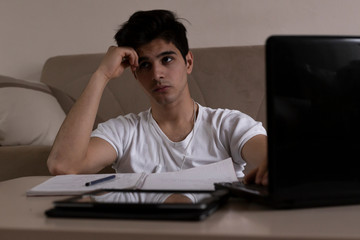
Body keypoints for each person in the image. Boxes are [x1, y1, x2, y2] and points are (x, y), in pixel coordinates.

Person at [47, 9, 268, 186]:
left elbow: (273, 159)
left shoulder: (228, 125)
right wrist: (101, 75)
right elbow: (64, 167)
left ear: (188, 62)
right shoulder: (124, 132)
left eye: (167, 60)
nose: (157, 74)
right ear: (134, 73)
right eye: (145, 65)